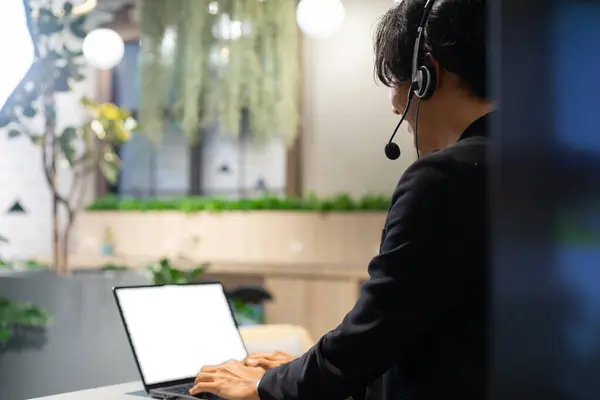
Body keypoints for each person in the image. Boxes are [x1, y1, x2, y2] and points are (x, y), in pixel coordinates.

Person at [191, 0, 492, 399]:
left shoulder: (444, 178)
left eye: (402, 112)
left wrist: (267, 384)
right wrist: (295, 371)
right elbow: (444, 345)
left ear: (426, 76)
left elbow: (375, 334)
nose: (410, 132)